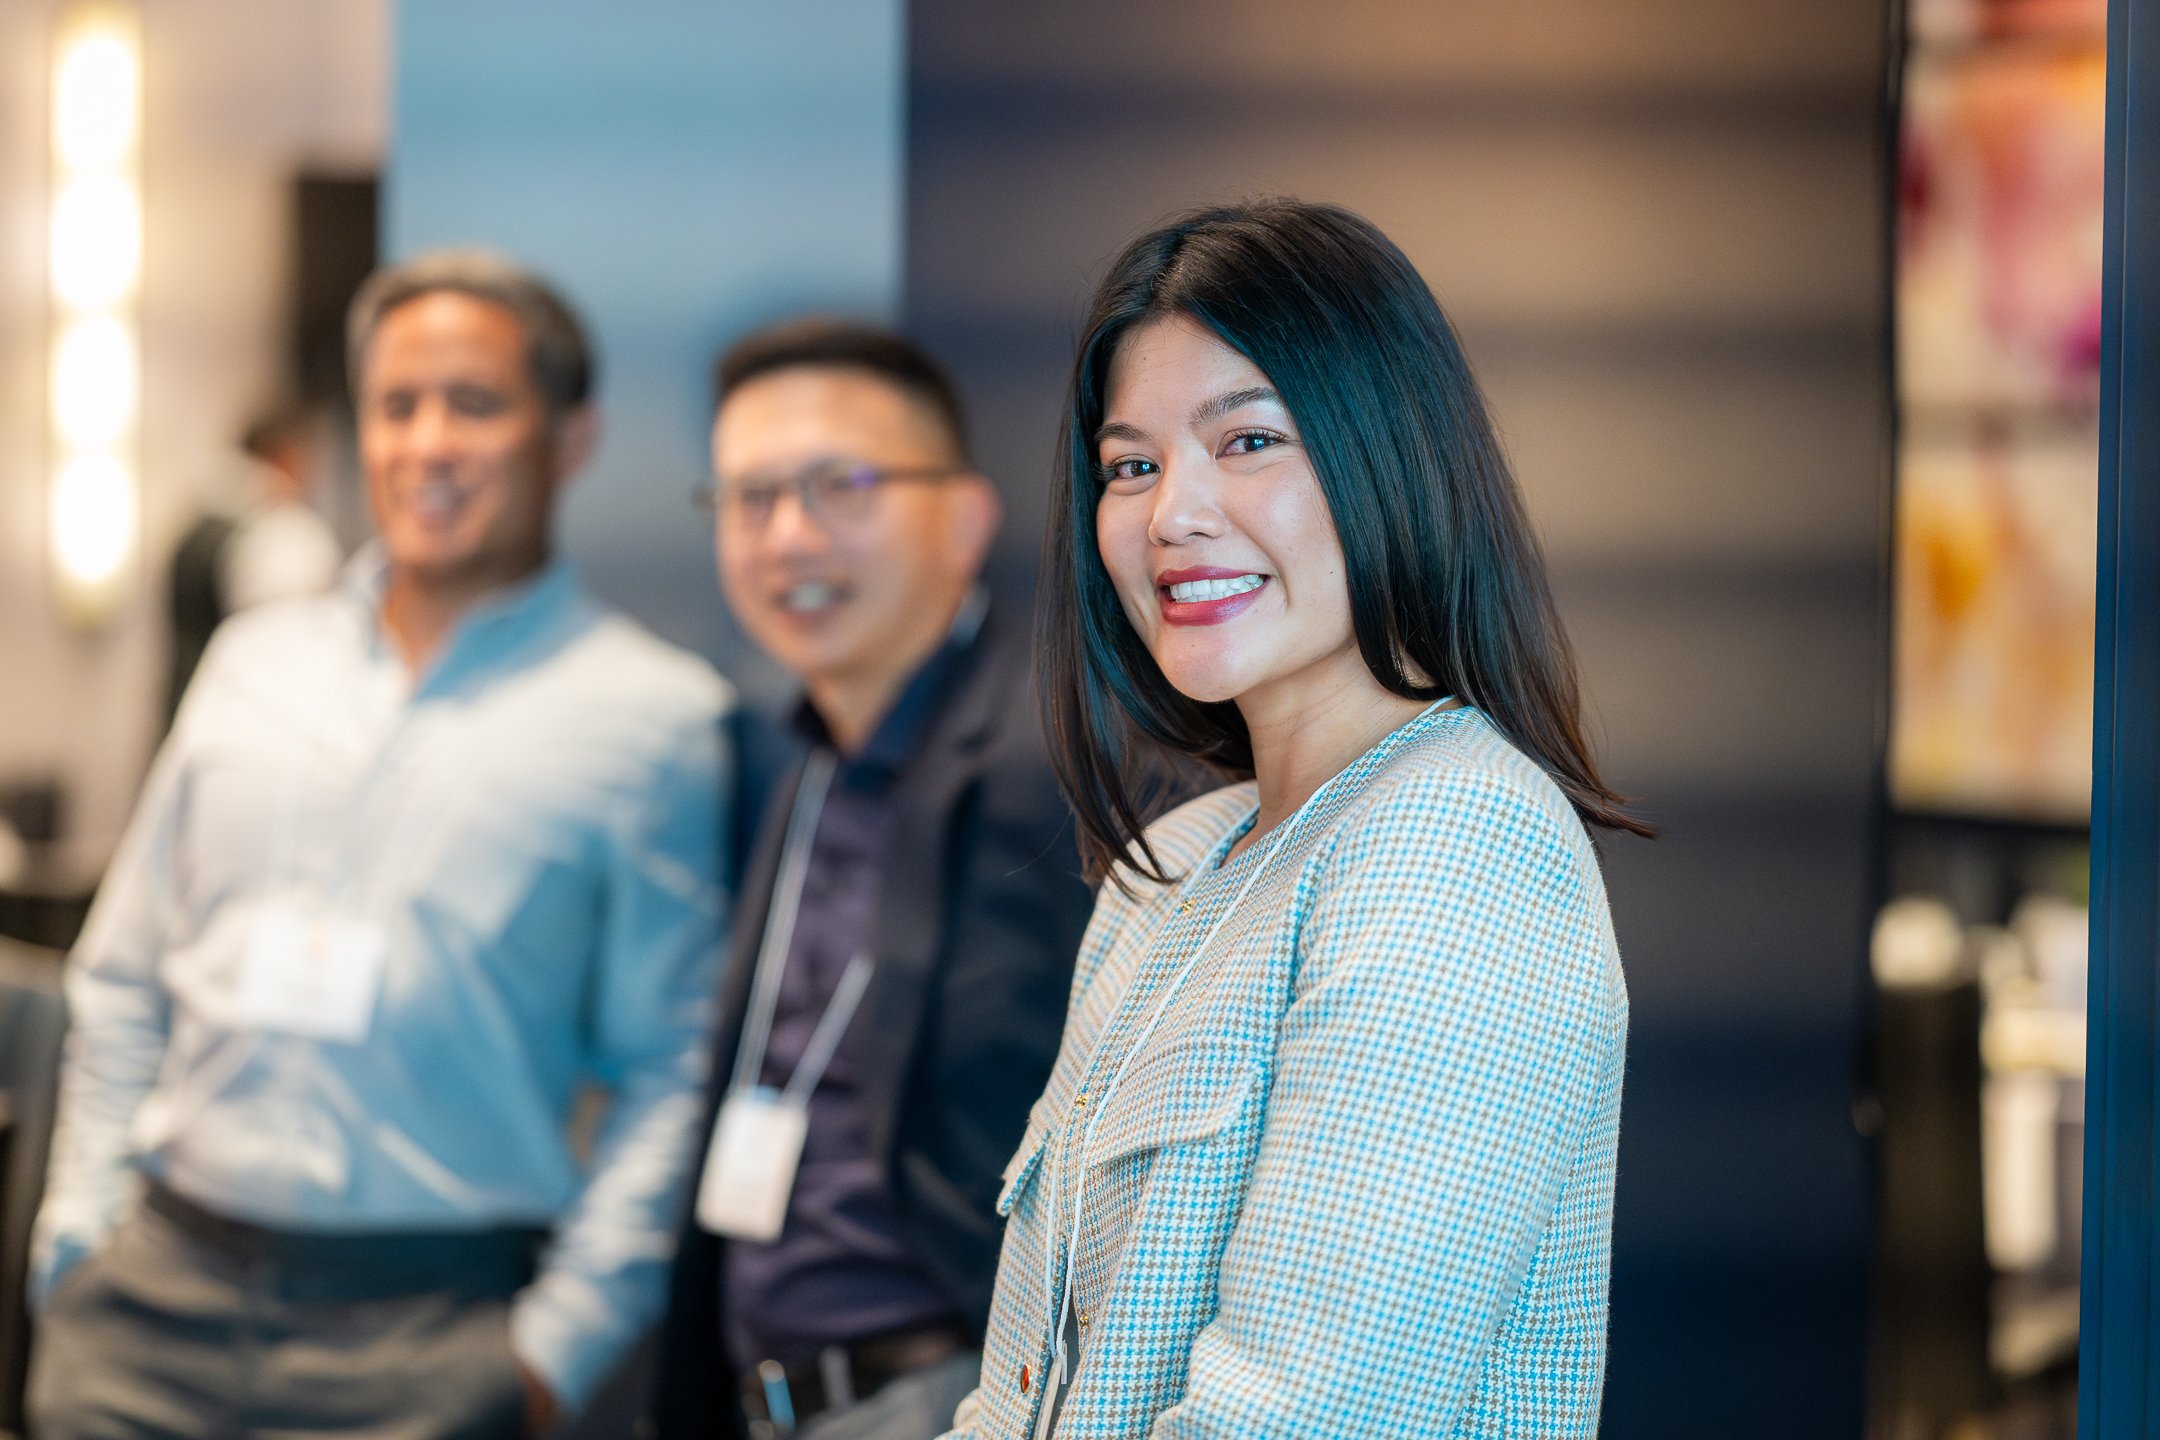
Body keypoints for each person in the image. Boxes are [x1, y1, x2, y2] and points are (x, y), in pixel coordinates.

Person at [945, 200, 1647, 1440]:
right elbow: (1023, 1391)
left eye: (1249, 440)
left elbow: (1309, 1414)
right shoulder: (1174, 862)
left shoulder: (1455, 841)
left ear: (1389, 455)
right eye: (1131, 464)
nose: (1173, 515)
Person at [29, 250, 732, 1440]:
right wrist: (77, 1241)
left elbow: (671, 1074)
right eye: (396, 406)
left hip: (430, 1333)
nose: (427, 444)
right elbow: (124, 975)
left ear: (568, 437)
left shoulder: (654, 721)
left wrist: (556, 1349)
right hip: (150, 1307)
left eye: (476, 403)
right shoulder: (255, 663)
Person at [653, 320, 1095, 1440]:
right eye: (749, 499)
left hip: (953, 1395)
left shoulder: (1062, 765)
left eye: (840, 485)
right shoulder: (790, 760)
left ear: (964, 519)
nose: (788, 537)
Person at [164, 400, 343, 730]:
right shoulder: (284, 533)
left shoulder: (205, 514)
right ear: (285, 454)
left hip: (186, 714)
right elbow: (290, 657)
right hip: (248, 724)